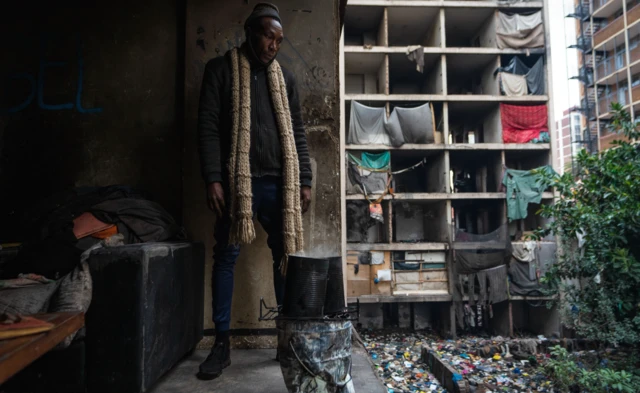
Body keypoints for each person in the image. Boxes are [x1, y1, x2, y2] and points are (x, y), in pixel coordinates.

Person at [196, 2, 312, 381]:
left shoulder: (286, 80)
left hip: (281, 183)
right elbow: (208, 128)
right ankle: (222, 344)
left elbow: (298, 133)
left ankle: (287, 341)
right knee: (226, 258)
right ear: (250, 32)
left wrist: (305, 180)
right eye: (267, 36)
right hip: (237, 184)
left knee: (285, 259)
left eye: (279, 40)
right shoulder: (220, 71)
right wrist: (213, 178)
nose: (273, 45)